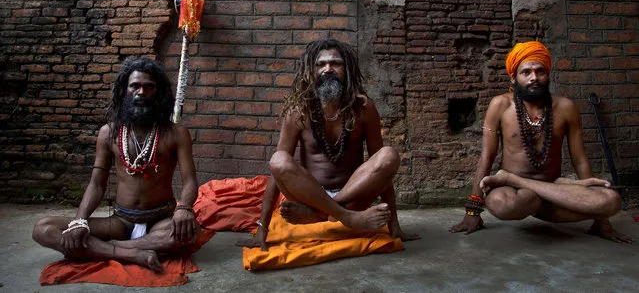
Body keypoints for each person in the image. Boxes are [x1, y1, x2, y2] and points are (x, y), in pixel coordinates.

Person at [239, 38, 419, 250]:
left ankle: (322, 215)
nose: (328, 69)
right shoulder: (299, 111)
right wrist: (262, 228)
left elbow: (382, 171)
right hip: (311, 196)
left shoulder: (363, 108)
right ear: (310, 71)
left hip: (353, 196)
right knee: (278, 160)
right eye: (320, 64)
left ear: (347, 68)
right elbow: (277, 173)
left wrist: (394, 225)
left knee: (389, 154)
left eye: (335, 63)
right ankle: (346, 218)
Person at [450, 41, 632, 243]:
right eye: (525, 72)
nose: (533, 77)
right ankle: (526, 190)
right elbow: (487, 156)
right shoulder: (500, 105)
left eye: (540, 71)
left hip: (551, 186)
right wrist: (473, 212)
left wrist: (602, 221)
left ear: (548, 74)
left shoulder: (565, 107)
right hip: (516, 194)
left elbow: (580, 160)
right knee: (500, 203)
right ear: (514, 77)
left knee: (611, 202)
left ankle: (517, 182)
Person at [32, 57, 201, 271]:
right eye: (135, 86)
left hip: (161, 219)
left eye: (149, 87)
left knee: (192, 231)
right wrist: (79, 221)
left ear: (158, 92)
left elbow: (190, 180)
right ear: (125, 90)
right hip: (121, 221)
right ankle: (133, 253)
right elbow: (96, 184)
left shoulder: (177, 133)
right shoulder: (109, 133)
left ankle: (111, 249)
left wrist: (184, 208)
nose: (141, 92)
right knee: (43, 228)